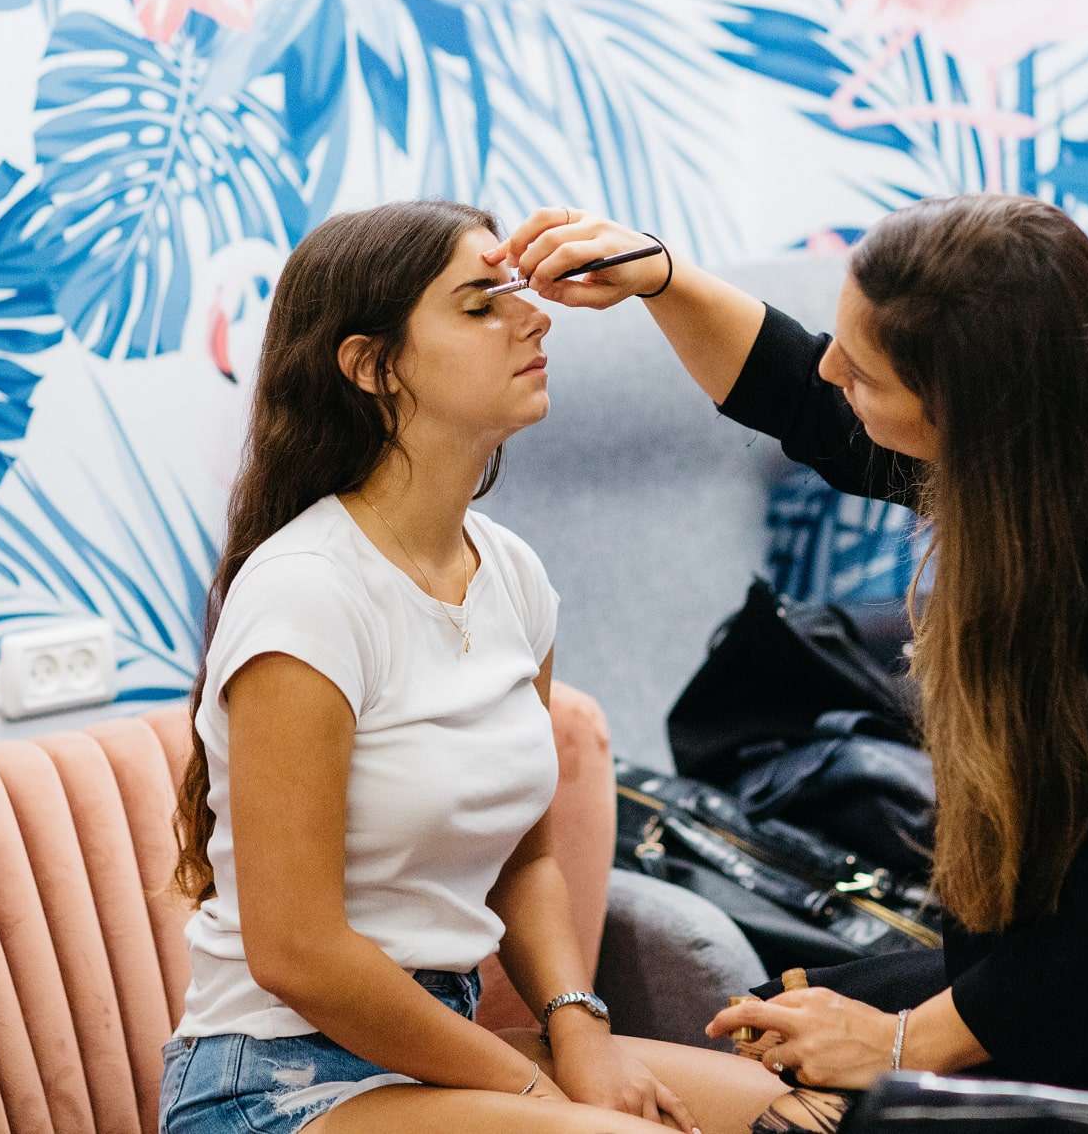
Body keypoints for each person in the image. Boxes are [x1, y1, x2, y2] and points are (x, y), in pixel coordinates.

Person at [491, 194, 1088, 1107]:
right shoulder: (1038, 460)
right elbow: (804, 392)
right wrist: (663, 279)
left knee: (781, 1095)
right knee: (758, 1028)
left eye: (865, 373)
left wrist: (899, 1042)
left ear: (971, 405)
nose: (831, 369)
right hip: (1054, 969)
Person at [161, 200, 790, 1134]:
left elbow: (528, 860)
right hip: (273, 1081)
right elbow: (296, 952)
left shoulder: (512, 572)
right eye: (480, 304)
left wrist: (580, 1028)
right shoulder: (305, 590)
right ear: (372, 365)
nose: (535, 319)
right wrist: (533, 1089)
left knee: (816, 1116)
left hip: (438, 1053)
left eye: (518, 294)